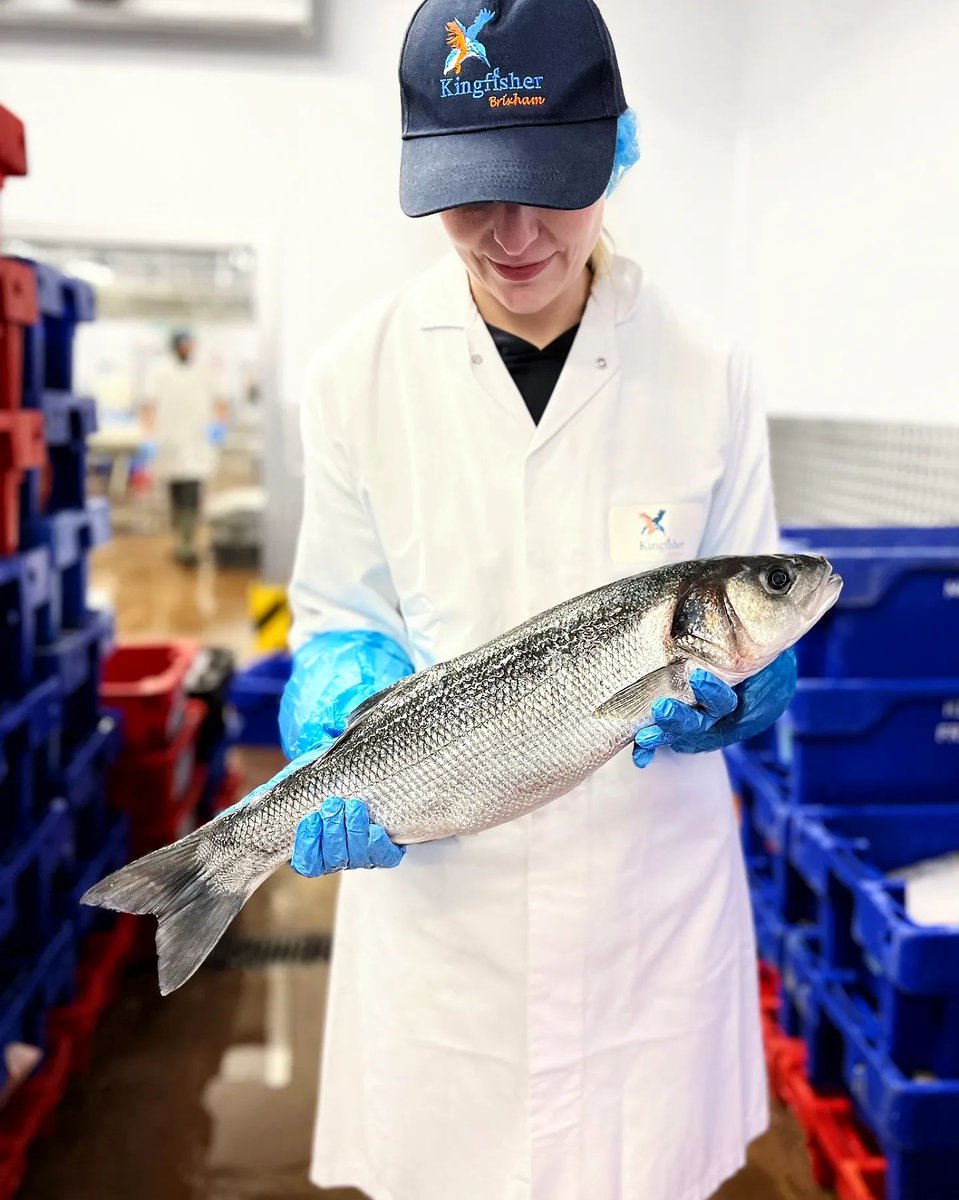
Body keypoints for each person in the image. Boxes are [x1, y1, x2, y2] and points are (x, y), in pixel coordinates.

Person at [276, 1, 798, 1197]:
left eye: (545, 187)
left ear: (610, 148)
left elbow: (762, 592)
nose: (508, 235)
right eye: (470, 194)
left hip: (643, 922)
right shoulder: (354, 375)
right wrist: (337, 684)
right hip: (439, 905)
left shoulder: (703, 366)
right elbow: (338, 608)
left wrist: (747, 691)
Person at [142, 329, 227, 566]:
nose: (189, 349)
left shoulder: (205, 371)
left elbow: (221, 400)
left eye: (191, 345)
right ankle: (181, 537)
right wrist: (148, 436)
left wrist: (218, 425)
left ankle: (187, 543)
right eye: (185, 345)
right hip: (168, 442)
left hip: (197, 441)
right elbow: (148, 405)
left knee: (192, 493)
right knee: (176, 494)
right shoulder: (159, 372)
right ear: (176, 346)